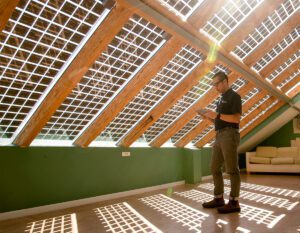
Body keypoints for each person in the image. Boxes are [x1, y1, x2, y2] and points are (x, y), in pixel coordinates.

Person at [197, 71, 242, 214]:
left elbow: (235, 119)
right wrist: (207, 117)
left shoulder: (235, 96)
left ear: (224, 81)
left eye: (216, 84)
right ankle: (219, 199)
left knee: (232, 169)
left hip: (230, 134)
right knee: (214, 168)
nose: (215, 87)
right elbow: (220, 119)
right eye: (213, 84)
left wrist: (216, 114)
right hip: (219, 135)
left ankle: (234, 202)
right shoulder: (220, 99)